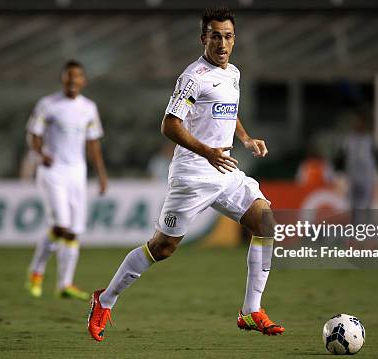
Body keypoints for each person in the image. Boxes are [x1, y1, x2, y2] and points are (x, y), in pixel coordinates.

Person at [87, 7, 285, 342]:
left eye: (228, 36)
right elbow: (169, 125)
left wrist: (246, 138)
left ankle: (251, 310)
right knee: (162, 248)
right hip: (193, 173)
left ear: (234, 39)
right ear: (203, 38)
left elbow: (228, 110)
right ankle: (104, 300)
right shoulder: (193, 77)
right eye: (216, 36)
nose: (222, 43)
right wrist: (207, 151)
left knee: (264, 222)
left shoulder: (233, 73)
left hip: (225, 171)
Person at [25, 60, 108, 300]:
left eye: (77, 77)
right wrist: (40, 154)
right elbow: (33, 134)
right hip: (53, 171)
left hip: (77, 173)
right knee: (60, 225)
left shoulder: (89, 108)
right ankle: (36, 271)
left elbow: (93, 143)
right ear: (62, 79)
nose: (73, 81)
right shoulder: (48, 104)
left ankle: (65, 284)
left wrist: (101, 174)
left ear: (84, 81)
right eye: (69, 76)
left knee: (73, 232)